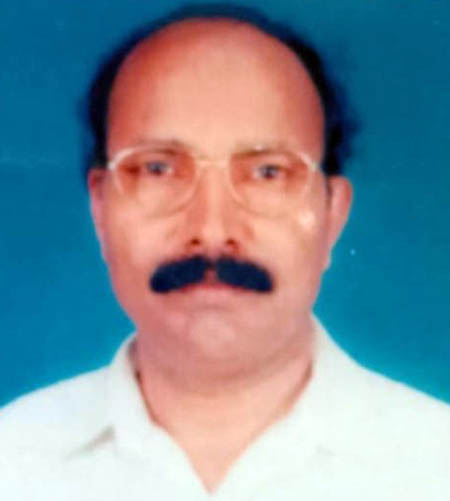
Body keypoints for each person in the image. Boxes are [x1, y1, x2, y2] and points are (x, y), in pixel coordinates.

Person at [1, 12, 448, 501]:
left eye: (268, 173)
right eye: (158, 169)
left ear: (333, 215)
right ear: (100, 209)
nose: (212, 231)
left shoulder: (433, 465)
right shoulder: (15, 459)